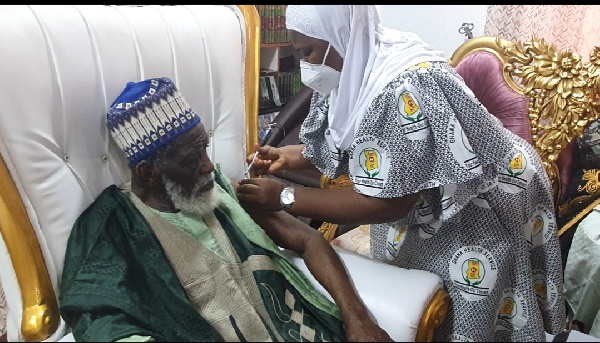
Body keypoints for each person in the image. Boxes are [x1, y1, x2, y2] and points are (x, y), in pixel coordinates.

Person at [235, 5, 567, 342]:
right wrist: (288, 158)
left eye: (308, 52)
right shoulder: (350, 67)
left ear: (340, 37)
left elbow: (389, 204)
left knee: (477, 294)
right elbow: (355, 144)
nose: (305, 65)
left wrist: (286, 196)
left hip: (486, 192)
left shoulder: (400, 87)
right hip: (427, 189)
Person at [58, 77, 393, 342]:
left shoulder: (223, 192)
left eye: (205, 149)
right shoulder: (116, 226)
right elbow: (99, 318)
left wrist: (358, 319)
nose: (208, 167)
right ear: (148, 172)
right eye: (191, 158)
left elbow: (310, 241)